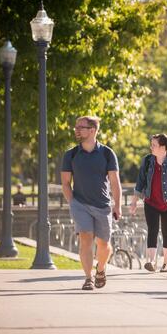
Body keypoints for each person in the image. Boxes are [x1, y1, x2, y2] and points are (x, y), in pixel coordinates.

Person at [61, 116, 122, 291]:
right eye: (76, 126)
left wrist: (117, 205)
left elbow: (114, 181)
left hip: (103, 205)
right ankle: (88, 278)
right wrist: (72, 202)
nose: (77, 129)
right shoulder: (70, 154)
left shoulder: (107, 153)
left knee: (104, 244)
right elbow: (65, 183)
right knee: (86, 240)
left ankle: (100, 269)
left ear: (93, 130)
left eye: (81, 127)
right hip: (79, 204)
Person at [130, 133, 167, 272]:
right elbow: (141, 181)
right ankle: (151, 262)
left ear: (162, 147)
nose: (151, 147)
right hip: (150, 201)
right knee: (152, 230)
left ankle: (166, 264)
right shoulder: (148, 160)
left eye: (154, 145)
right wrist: (134, 201)